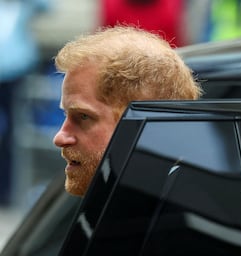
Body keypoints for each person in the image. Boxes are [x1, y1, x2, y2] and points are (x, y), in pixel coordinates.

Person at [52, 25, 202, 197]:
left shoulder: (176, 218)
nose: (60, 137)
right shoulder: (112, 209)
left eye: (83, 116)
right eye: (66, 115)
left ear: (145, 127)